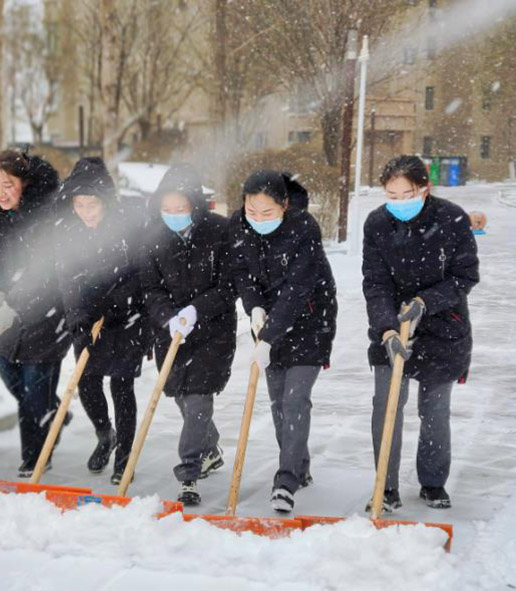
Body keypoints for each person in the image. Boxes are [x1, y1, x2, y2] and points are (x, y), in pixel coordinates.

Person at [362, 154, 479, 511]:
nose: (398, 204)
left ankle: (432, 482)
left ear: (424, 189)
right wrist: (387, 330)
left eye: (406, 194)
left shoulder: (451, 219)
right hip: (391, 326)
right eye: (391, 196)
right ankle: (386, 486)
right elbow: (376, 283)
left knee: (434, 410)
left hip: (444, 328)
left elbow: (464, 276)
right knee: (387, 407)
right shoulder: (377, 224)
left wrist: (424, 302)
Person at [229, 170, 337, 513]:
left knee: (294, 400)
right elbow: (241, 273)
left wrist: (269, 337)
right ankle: (299, 466)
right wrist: (255, 306)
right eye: (252, 210)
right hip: (268, 323)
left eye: (267, 212)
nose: (258, 219)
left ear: (284, 206)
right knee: (278, 403)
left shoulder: (303, 229)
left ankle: (286, 480)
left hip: (310, 320)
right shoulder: (238, 225)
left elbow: (297, 289)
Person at [0, 149, 71, 477]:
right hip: (12, 315)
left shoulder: (45, 219)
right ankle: (54, 414)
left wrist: (17, 300)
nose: (0, 191)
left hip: (49, 313)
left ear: (24, 183)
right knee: (8, 371)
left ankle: (35, 457)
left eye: (7, 183)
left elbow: (48, 270)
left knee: (33, 388)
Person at [140, 163, 236, 506]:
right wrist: (169, 317)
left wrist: (196, 310)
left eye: (180, 208)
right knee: (182, 396)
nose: (174, 215)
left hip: (213, 331)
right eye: (167, 209)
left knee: (197, 401)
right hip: (172, 333)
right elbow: (149, 288)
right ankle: (209, 448)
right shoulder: (152, 236)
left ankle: (189, 474)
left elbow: (229, 285)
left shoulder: (220, 231)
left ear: (195, 205)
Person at [54, 157, 149, 484]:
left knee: (122, 387)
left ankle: (125, 456)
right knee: (87, 382)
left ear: (105, 201)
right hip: (88, 318)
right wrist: (79, 321)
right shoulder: (69, 233)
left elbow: (141, 273)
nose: (85, 212)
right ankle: (104, 434)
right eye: (78, 204)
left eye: (91, 204)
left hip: (127, 318)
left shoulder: (128, 227)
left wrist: (116, 301)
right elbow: (68, 281)